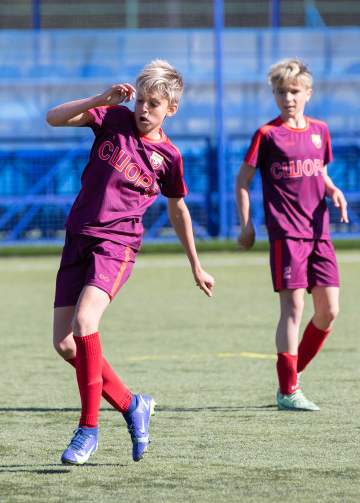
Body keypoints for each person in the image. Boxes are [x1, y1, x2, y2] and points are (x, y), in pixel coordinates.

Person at [45, 59, 215, 465]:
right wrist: (101, 98)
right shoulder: (114, 118)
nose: (143, 109)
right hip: (78, 237)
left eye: (153, 104)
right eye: (141, 99)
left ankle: (88, 431)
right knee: (66, 344)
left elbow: (179, 210)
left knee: (85, 324)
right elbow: (53, 118)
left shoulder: (170, 157)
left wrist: (196, 264)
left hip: (116, 246)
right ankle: (132, 404)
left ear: (170, 109)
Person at [235, 58, 349, 412]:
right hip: (286, 234)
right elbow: (243, 182)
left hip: (320, 233)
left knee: (329, 311)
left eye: (294, 91)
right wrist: (247, 224)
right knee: (294, 307)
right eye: (281, 91)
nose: (288, 98)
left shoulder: (321, 131)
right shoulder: (267, 135)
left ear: (308, 94)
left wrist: (333, 191)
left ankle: (290, 377)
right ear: (274, 94)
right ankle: (289, 391)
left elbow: (321, 173)